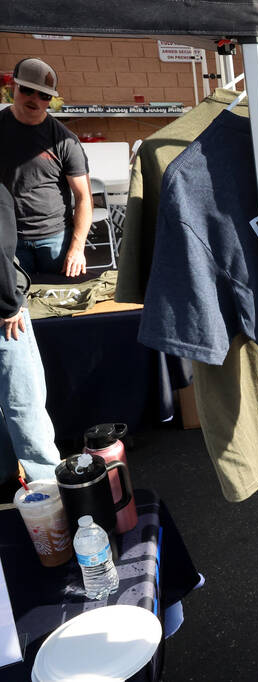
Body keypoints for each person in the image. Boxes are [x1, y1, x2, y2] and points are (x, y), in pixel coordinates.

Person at [0, 58, 91, 277]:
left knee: (60, 305)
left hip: (55, 240)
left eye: (44, 95)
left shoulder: (64, 140)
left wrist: (77, 249)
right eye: (28, 90)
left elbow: (84, 197)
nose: (35, 99)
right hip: (9, 238)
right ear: (14, 86)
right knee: (17, 307)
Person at [0, 183, 62, 493]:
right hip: (3, 315)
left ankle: (6, 479)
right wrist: (8, 301)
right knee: (23, 402)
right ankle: (47, 487)